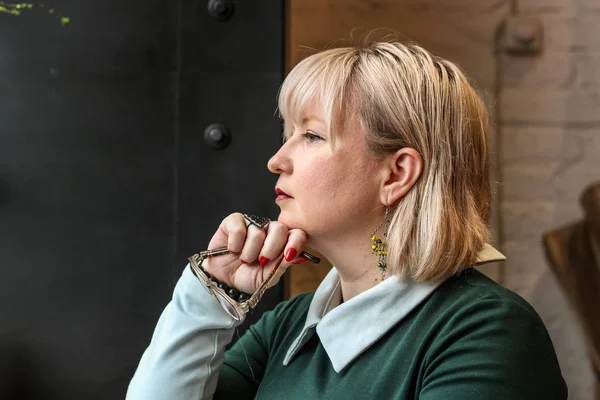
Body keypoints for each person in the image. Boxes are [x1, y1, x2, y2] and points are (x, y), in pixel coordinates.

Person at [127, 41, 568, 399]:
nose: (277, 160)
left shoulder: (485, 333)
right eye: (288, 135)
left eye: (312, 135)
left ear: (395, 174)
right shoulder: (287, 326)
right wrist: (211, 295)